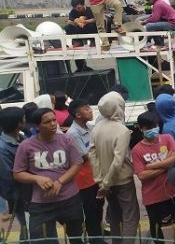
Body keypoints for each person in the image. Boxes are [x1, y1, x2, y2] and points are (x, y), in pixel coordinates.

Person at [13, 108, 84, 243]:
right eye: (47, 122)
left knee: (76, 237)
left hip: (69, 199)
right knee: (41, 239)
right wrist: (36, 178)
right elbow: (17, 173)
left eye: (54, 120)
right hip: (41, 203)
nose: (53, 124)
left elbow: (77, 164)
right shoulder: (26, 146)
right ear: (36, 126)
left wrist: (60, 181)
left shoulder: (66, 140)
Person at [89, 92, 140, 243]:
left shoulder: (96, 128)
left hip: (104, 180)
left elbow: (93, 156)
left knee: (115, 215)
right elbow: (118, 161)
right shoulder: (122, 130)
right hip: (122, 180)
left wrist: (101, 182)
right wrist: (106, 183)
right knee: (131, 216)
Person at [132, 111, 175, 243]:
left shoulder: (167, 138)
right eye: (148, 128)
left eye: (155, 126)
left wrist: (152, 166)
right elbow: (142, 175)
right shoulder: (137, 150)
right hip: (152, 196)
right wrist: (166, 165)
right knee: (155, 227)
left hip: (172, 192)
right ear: (141, 128)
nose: (153, 130)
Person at [66, 99, 104, 244]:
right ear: (78, 115)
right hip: (84, 180)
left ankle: (97, 237)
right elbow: (86, 155)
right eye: (86, 108)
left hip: (95, 175)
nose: (90, 110)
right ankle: (94, 240)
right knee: (90, 212)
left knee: (98, 209)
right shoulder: (73, 133)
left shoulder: (89, 127)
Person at [0, 107, 28, 240]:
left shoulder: (22, 137)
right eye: (23, 117)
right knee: (27, 226)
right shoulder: (3, 148)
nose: (25, 119)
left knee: (29, 226)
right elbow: (8, 176)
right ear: (18, 123)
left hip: (28, 190)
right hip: (19, 194)